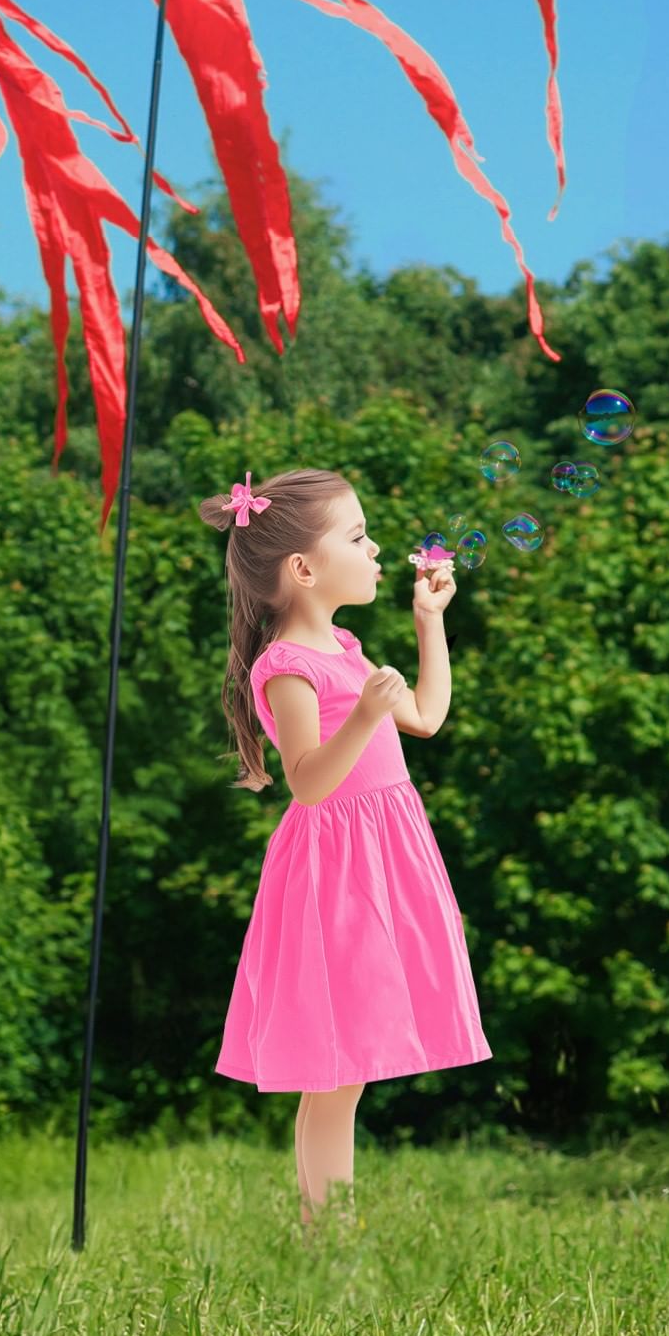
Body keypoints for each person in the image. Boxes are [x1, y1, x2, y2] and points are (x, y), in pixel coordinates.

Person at [202, 467, 491, 1228]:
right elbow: (306, 783)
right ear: (303, 569)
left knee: (349, 1070)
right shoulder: (287, 667)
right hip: (335, 873)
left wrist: (429, 620)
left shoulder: (347, 647)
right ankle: (327, 1236)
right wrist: (363, 715)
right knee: (334, 1070)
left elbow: (425, 716)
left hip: (386, 858)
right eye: (358, 537)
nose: (375, 550)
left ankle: (326, 1232)